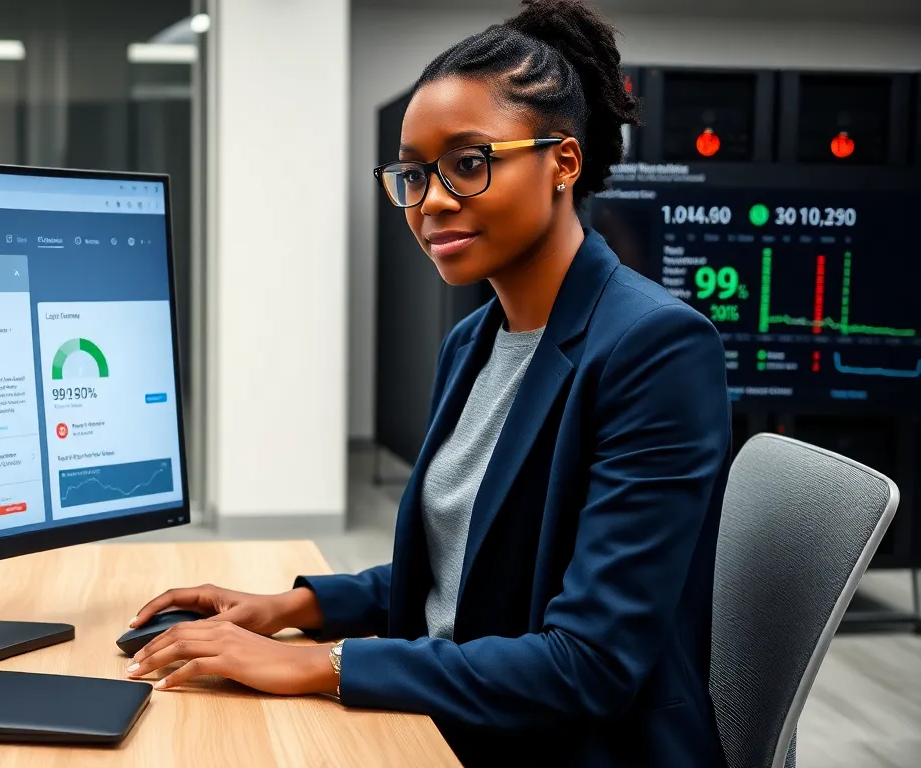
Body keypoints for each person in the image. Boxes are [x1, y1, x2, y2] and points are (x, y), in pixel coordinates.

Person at [125, 1, 731, 764]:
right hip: (458, 715)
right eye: (413, 173)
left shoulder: (657, 349)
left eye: (469, 162)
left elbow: (591, 665)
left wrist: (322, 662)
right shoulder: (473, 341)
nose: (432, 199)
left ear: (563, 164)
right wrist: (290, 607)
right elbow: (466, 570)